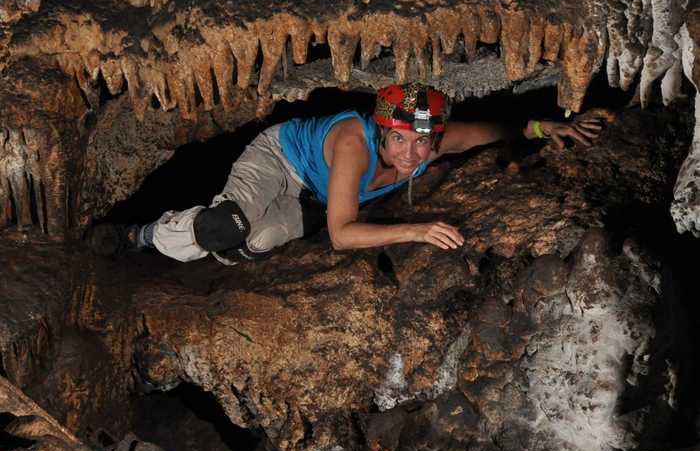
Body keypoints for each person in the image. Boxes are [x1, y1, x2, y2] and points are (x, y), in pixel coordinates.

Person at [88, 83, 601, 264]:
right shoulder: (357, 145)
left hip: (313, 193)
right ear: (382, 132)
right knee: (226, 226)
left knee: (252, 245)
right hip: (280, 159)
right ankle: (143, 235)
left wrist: (544, 127)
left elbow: (496, 129)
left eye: (422, 141)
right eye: (399, 139)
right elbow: (341, 235)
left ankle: (215, 248)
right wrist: (417, 231)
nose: (409, 153)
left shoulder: (431, 145)